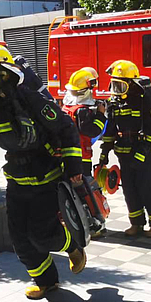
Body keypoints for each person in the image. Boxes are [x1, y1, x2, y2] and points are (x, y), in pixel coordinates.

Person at [0, 50, 87, 300]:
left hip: (47, 178)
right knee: (20, 239)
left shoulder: (29, 99)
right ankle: (46, 281)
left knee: (41, 234)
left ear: (3, 76)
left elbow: (66, 127)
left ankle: (72, 244)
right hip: (17, 182)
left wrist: (73, 167)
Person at [98, 60, 151, 238]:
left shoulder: (145, 101)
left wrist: (142, 152)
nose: (116, 90)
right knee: (129, 190)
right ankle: (136, 223)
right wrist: (104, 152)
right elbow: (110, 130)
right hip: (125, 155)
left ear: (131, 84)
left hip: (146, 156)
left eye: (120, 85)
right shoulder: (114, 102)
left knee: (148, 189)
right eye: (114, 85)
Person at [61, 67, 108, 237]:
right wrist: (101, 115)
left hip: (66, 157)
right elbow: (93, 131)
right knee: (85, 192)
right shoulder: (82, 111)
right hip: (82, 157)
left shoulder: (66, 107)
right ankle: (94, 225)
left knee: (72, 192)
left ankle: (75, 224)